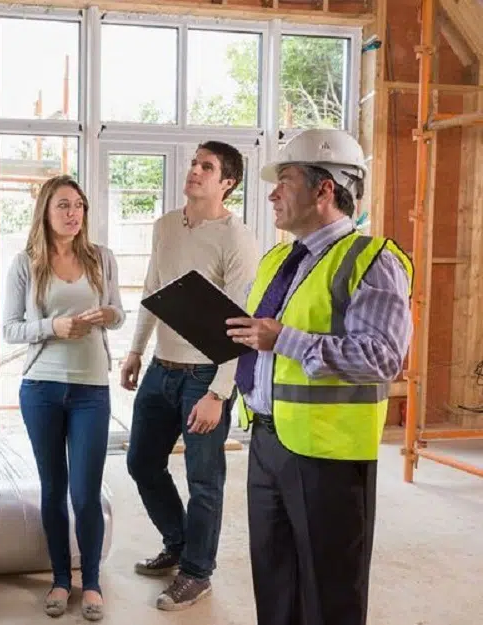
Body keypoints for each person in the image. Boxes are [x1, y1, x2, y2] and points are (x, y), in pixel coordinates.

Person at [225, 128, 413, 625]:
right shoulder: (274, 261)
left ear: (324, 189)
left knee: (329, 591)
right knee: (274, 579)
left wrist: (283, 338)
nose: (272, 193)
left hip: (327, 455)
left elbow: (382, 357)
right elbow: (257, 339)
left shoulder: (372, 261)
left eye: (284, 179)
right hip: (267, 441)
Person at [121, 142, 260, 611]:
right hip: (161, 370)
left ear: (227, 183)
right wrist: (136, 350)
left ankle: (197, 573)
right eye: (194, 163)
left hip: (205, 378)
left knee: (204, 480)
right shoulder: (165, 226)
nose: (195, 172)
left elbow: (242, 325)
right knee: (141, 462)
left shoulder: (237, 239)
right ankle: (178, 543)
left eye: (207, 167)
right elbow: (151, 290)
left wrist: (220, 394)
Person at [2, 174, 126, 622]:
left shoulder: (101, 259)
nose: (73, 214)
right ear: (46, 213)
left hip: (91, 388)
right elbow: (10, 328)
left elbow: (117, 313)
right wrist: (52, 327)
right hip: (41, 389)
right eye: (64, 206)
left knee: (86, 492)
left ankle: (89, 582)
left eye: (79, 205)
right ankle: (59, 579)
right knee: (53, 489)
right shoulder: (25, 263)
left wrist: (110, 314)